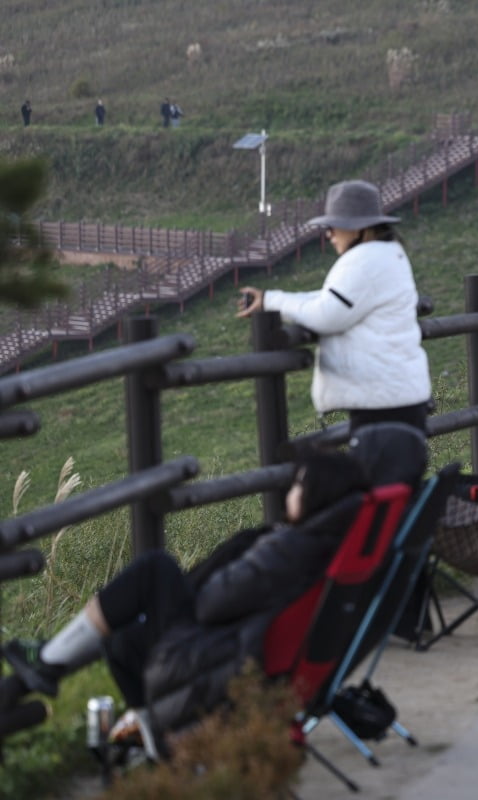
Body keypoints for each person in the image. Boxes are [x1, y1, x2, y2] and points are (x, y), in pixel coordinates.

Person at [0, 450, 373, 753]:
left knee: (155, 570)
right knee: (123, 640)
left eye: (299, 485)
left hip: (215, 658)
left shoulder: (290, 550)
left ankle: (47, 663)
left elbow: (213, 603)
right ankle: (154, 742)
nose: (290, 492)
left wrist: (226, 566)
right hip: (236, 651)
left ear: (317, 496)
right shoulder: (322, 547)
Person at [238, 180, 432, 433]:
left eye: (333, 227)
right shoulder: (388, 254)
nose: (328, 235)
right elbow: (333, 300)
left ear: (358, 229)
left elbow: (326, 314)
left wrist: (272, 301)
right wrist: (270, 299)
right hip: (395, 393)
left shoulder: (362, 262)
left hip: (381, 401)